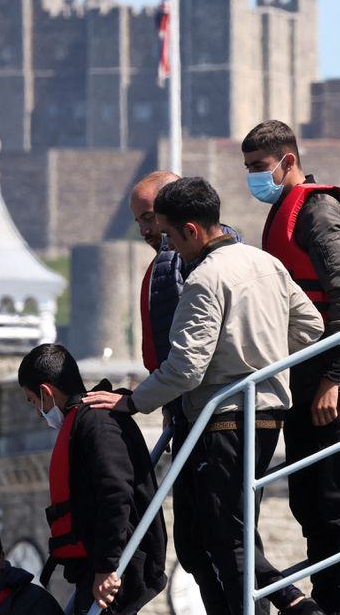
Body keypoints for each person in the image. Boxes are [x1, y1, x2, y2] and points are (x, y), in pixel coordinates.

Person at [85, 177, 327, 615]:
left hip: (224, 421)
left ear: (191, 230)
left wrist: (132, 402)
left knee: (226, 538)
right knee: (215, 538)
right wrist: (264, 359)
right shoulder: (265, 262)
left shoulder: (203, 279)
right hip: (269, 415)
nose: (171, 249)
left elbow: (186, 367)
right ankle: (286, 602)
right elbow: (310, 327)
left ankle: (293, 603)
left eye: (171, 237)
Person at [241, 120, 340, 615]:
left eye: (260, 167)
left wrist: (332, 380)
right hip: (298, 380)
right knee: (307, 500)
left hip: (333, 382)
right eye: (249, 169)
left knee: (338, 499)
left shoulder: (317, 211)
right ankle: (328, 594)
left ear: (287, 160)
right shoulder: (281, 214)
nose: (255, 178)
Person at [130, 170, 230, 612]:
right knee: (197, 542)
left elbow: (187, 356)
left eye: (152, 218)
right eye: (140, 222)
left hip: (210, 415)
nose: (147, 231)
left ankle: (283, 598)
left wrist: (140, 401)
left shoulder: (190, 263)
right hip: (188, 412)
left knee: (221, 536)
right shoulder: (175, 260)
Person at [18, 343, 167, 615]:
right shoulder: (82, 422)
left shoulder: (97, 422)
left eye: (33, 402)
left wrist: (107, 567)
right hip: (91, 566)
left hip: (115, 567)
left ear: (45, 392)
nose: (38, 413)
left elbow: (116, 493)